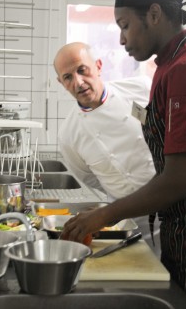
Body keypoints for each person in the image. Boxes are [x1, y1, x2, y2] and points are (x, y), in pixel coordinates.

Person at [61, 0, 186, 309]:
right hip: (184, 231)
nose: (121, 39)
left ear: (154, 14)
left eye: (125, 25)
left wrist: (102, 216)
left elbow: (177, 181)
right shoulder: (167, 67)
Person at [54, 42, 155, 202]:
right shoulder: (68, 135)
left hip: (170, 203)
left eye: (82, 70)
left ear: (98, 66)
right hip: (124, 215)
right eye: (68, 77)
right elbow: (90, 179)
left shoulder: (140, 89)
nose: (78, 82)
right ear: (61, 83)